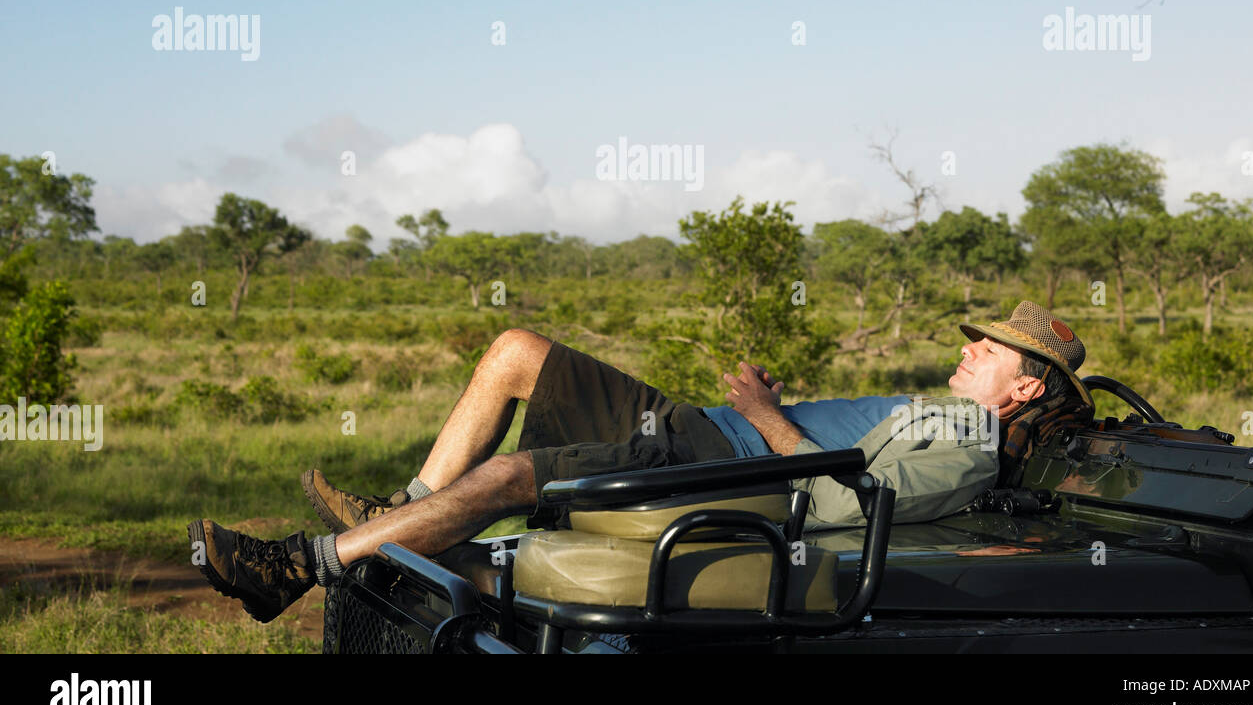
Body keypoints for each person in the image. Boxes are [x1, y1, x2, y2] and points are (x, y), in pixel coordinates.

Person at [189, 300, 1089, 622]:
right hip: (717, 433)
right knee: (513, 349)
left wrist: (768, 416)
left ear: (1025, 390)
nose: (974, 347)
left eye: (995, 350)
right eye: (980, 339)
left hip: (731, 462)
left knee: (509, 480)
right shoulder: (941, 411)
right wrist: (764, 415)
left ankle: (293, 568)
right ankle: (400, 512)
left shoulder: (969, 446)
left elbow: (848, 496)